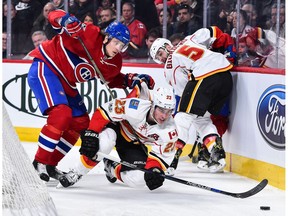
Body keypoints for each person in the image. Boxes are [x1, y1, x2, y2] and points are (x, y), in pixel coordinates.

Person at [27, 9, 155, 182]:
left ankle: (50, 164)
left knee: (81, 123)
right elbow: (52, 16)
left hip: (67, 83)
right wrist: (65, 20)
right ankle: (38, 162)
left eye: (122, 45)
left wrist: (129, 79)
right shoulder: (88, 33)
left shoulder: (114, 62)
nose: (118, 48)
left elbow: (111, 78)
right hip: (47, 67)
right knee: (61, 113)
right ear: (106, 37)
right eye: (116, 42)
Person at [58, 83, 178, 191]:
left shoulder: (170, 131)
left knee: (139, 179)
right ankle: (76, 173)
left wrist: (155, 170)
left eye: (169, 111)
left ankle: (111, 167)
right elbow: (103, 111)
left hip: (133, 143)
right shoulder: (134, 107)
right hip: (116, 127)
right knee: (103, 144)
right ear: (153, 105)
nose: (164, 115)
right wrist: (92, 133)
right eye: (161, 110)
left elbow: (162, 158)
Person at [150, 33, 233, 173]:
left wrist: (186, 109)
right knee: (203, 121)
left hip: (205, 77)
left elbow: (184, 92)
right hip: (225, 75)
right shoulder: (189, 39)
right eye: (158, 58)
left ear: (167, 46)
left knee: (183, 117)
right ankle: (217, 154)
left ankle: (171, 158)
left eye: (160, 53)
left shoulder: (169, 65)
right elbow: (212, 32)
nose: (161, 58)